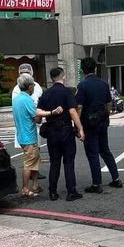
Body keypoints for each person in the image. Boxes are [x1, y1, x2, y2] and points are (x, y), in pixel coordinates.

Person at [37, 67, 85, 201]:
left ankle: (52, 192)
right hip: (66, 131)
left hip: (51, 132)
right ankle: (71, 191)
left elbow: (38, 114)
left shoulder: (46, 94)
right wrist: (80, 128)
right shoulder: (67, 92)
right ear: (63, 77)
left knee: (55, 162)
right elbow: (73, 112)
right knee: (68, 162)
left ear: (51, 79)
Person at [76, 57, 122, 194]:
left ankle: (96, 184)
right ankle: (116, 178)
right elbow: (108, 104)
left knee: (92, 154)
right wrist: (106, 115)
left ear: (82, 70)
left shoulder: (82, 86)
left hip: (89, 124)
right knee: (105, 150)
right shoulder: (104, 84)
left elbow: (79, 107)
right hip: (102, 121)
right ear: (95, 69)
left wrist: (77, 126)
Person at [13, 73, 62, 198]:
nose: (34, 88)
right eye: (33, 85)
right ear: (29, 86)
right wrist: (51, 112)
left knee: (34, 160)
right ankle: (25, 188)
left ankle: (35, 185)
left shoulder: (17, 99)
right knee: (29, 163)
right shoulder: (27, 100)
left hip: (22, 135)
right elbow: (37, 118)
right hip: (28, 136)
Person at [12, 63, 44, 149]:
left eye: (27, 72)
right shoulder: (18, 91)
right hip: (26, 121)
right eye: (22, 73)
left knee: (34, 149)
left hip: (34, 119)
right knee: (30, 152)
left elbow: (40, 100)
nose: (25, 75)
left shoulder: (37, 86)